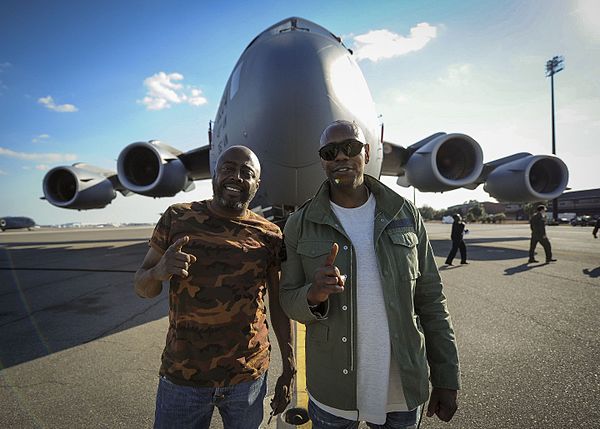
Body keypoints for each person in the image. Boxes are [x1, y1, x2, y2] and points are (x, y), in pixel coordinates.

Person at [279, 120, 460, 428]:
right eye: (330, 152)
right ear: (322, 160)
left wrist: (446, 376)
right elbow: (288, 299)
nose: (340, 157)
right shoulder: (300, 223)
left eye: (349, 148)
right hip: (333, 393)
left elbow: (431, 300)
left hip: (400, 389)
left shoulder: (404, 214)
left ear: (365, 152)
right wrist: (313, 295)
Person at [134, 146, 295, 429]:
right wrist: (159, 271)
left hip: (247, 378)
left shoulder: (270, 235)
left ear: (257, 185)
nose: (236, 177)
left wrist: (289, 366)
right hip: (184, 378)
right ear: (215, 174)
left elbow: (279, 304)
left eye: (247, 173)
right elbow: (142, 287)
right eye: (228, 169)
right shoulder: (178, 218)